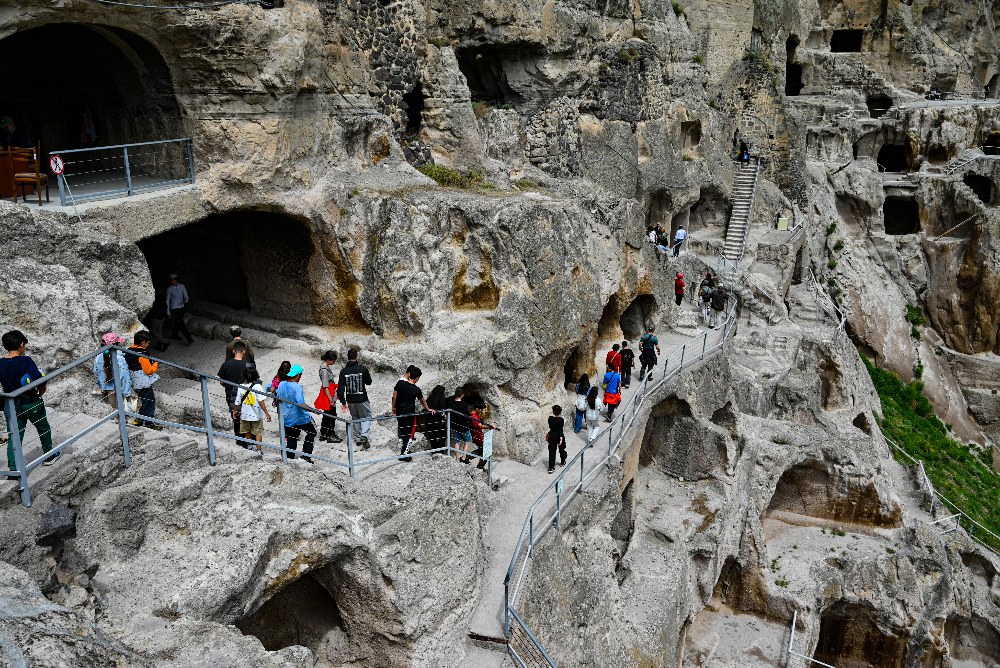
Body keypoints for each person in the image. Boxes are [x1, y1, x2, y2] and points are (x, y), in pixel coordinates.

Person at [0, 330, 56, 474]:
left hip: (11, 405)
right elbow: (38, 379)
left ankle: (14, 469)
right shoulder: (26, 360)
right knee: (43, 427)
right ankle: (49, 456)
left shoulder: (0, 364)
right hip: (30, 402)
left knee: (14, 436)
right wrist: (42, 387)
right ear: (21, 344)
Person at [392, 366, 435, 462]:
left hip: (400, 413)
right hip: (409, 414)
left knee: (403, 431)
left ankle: (406, 450)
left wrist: (393, 407)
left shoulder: (400, 383)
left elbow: (394, 396)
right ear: (417, 378)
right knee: (410, 433)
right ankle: (404, 454)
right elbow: (422, 401)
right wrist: (428, 409)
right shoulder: (416, 389)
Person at [276, 365, 316, 462]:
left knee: (292, 438)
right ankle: (306, 456)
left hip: (286, 417)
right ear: (298, 375)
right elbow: (301, 403)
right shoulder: (297, 387)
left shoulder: (281, 384)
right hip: (299, 417)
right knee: (312, 432)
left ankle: (289, 457)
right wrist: (313, 410)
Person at [337, 349, 373, 450]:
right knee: (366, 416)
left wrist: (343, 402)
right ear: (356, 357)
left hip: (350, 399)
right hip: (362, 398)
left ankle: (357, 439)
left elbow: (340, 389)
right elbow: (369, 382)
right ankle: (364, 435)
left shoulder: (343, 371)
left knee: (355, 417)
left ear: (348, 357)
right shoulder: (363, 369)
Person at [125, 331, 160, 429]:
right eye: (148, 343)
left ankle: (139, 420)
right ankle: (149, 423)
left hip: (134, 381)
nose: (148, 345)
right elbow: (149, 371)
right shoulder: (142, 354)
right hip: (143, 382)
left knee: (145, 401)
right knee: (150, 402)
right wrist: (155, 364)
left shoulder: (129, 351)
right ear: (143, 343)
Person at [218, 341, 251, 437]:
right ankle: (247, 438)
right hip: (245, 395)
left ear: (233, 351)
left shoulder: (226, 364)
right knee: (246, 416)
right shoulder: (248, 365)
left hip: (230, 394)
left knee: (235, 417)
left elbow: (221, 381)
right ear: (244, 352)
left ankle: (239, 438)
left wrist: (227, 387)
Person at [235, 365, 271, 451]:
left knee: (247, 431)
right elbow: (261, 402)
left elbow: (237, 401)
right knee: (258, 433)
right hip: (256, 414)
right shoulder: (258, 386)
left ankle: (250, 446)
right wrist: (267, 413)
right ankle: (258, 450)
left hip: (245, 414)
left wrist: (235, 411)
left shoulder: (241, 386)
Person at [93, 333, 132, 410]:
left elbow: (96, 372)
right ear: (116, 345)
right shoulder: (120, 359)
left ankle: (118, 417)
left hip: (109, 388)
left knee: (115, 407)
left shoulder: (99, 357)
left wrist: (101, 385)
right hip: (120, 388)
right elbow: (124, 376)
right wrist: (127, 393)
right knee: (125, 408)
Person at [315, 351, 343, 444]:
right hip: (328, 394)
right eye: (333, 360)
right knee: (332, 414)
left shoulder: (325, 367)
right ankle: (330, 434)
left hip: (329, 392)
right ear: (329, 359)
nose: (334, 362)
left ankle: (324, 433)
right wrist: (331, 399)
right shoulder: (324, 369)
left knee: (327, 414)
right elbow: (325, 386)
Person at [164, 274, 194, 345]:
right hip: (174, 308)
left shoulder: (182, 286)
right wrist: (168, 312)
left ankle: (174, 335)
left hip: (182, 307)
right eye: (171, 280)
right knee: (181, 322)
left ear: (177, 279)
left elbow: (186, 296)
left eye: (174, 279)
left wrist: (186, 300)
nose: (173, 281)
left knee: (178, 322)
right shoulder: (169, 289)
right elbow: (167, 301)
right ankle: (189, 338)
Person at [448, 385, 474, 463]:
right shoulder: (464, 404)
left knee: (457, 442)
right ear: (462, 395)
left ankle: (457, 459)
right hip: (464, 426)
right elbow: (467, 416)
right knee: (467, 442)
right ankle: (463, 458)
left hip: (455, 426)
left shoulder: (450, 403)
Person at [425, 385, 449, 452]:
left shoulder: (429, 399)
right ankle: (441, 452)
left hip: (430, 421)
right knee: (442, 437)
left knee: (432, 437)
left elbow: (426, 409)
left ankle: (434, 452)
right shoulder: (442, 400)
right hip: (440, 421)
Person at [546, 405, 566, 474]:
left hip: (552, 436)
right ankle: (562, 462)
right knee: (562, 449)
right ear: (560, 412)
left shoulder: (550, 419)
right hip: (559, 436)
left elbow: (551, 427)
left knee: (552, 452)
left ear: (553, 412)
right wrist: (561, 438)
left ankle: (551, 468)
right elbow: (560, 430)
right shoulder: (561, 420)